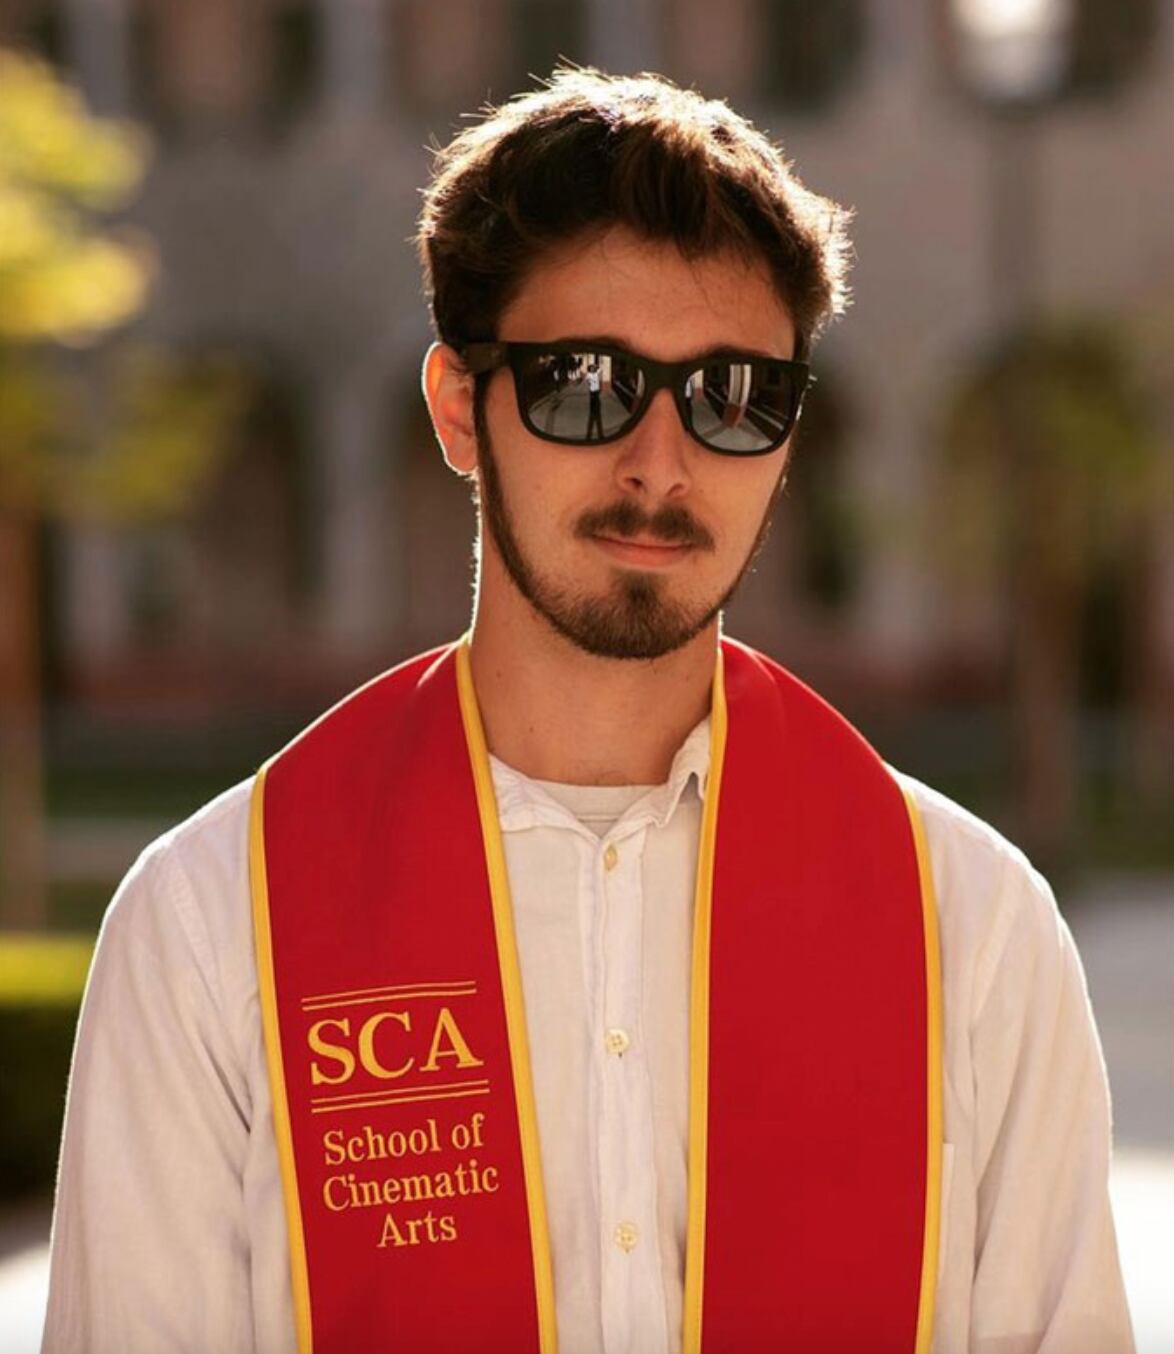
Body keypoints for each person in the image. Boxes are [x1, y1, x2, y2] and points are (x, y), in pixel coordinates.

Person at [43, 67, 1134, 1354]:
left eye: (734, 397)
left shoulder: (973, 925)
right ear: (461, 407)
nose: (659, 466)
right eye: (585, 383)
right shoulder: (216, 921)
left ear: (787, 438)